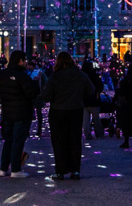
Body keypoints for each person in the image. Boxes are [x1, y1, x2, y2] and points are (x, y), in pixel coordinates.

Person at [40, 52, 95, 181]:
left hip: (58, 111)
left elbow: (46, 96)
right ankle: (75, 170)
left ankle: (60, 171)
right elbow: (91, 90)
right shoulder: (80, 75)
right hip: (75, 110)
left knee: (59, 141)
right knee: (75, 140)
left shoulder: (56, 76)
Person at [0, 50, 39, 178]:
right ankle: (15, 169)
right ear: (20, 61)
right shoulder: (22, 76)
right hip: (21, 111)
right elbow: (31, 92)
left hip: (7, 111)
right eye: (24, 60)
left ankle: (3, 168)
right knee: (18, 141)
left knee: (8, 140)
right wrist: (35, 83)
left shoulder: (2, 75)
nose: (25, 63)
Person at [81, 60, 105, 140]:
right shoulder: (94, 75)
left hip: (84, 100)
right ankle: (98, 133)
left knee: (85, 119)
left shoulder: (82, 76)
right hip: (94, 99)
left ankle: (87, 134)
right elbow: (100, 85)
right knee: (96, 118)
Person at [26, 59, 48, 136]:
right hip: (38, 95)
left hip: (32, 95)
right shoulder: (41, 73)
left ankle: (29, 131)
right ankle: (38, 130)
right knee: (38, 114)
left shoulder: (28, 73)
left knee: (30, 113)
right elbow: (46, 82)